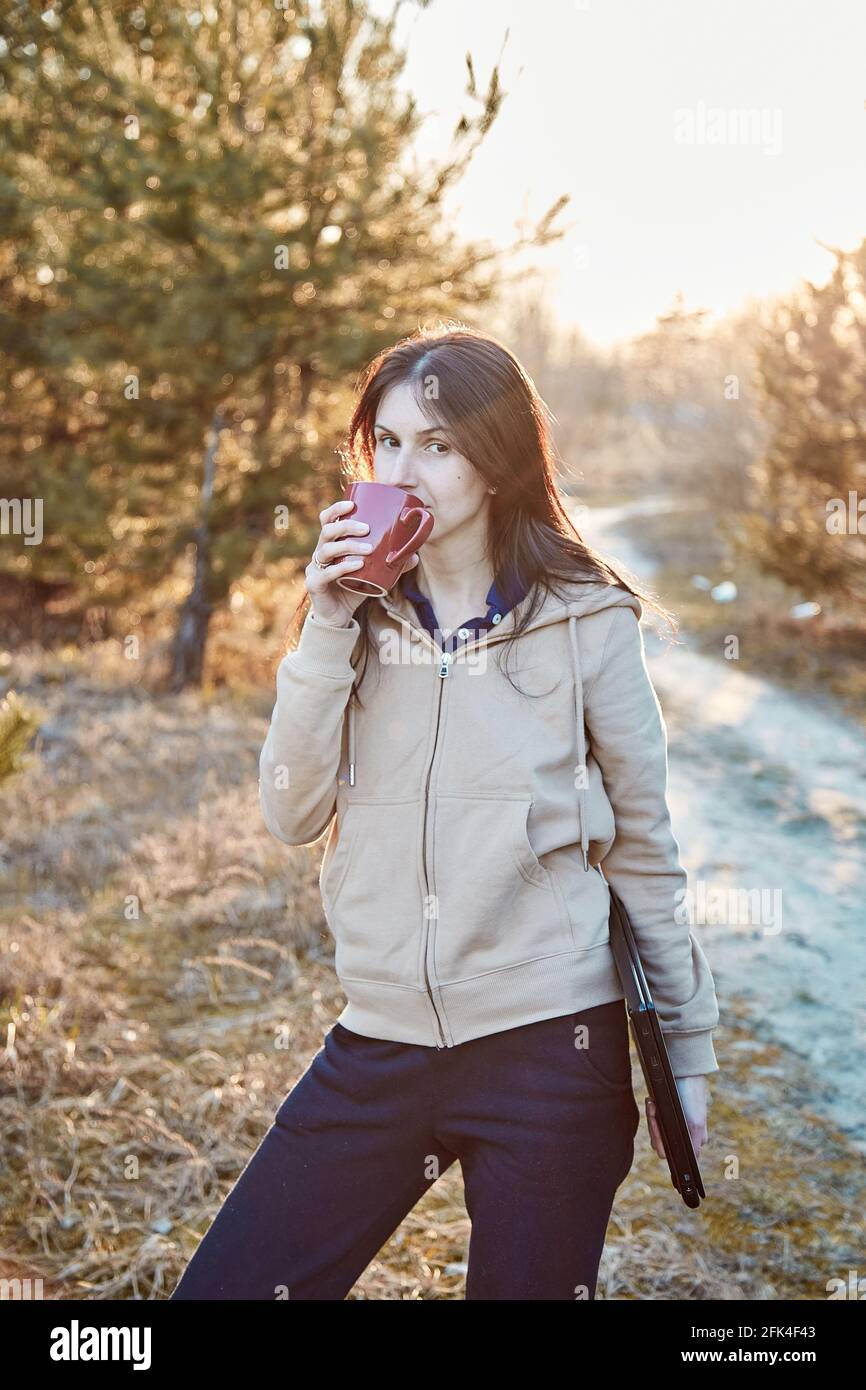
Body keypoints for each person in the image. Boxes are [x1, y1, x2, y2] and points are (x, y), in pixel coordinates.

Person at [170, 325, 720, 1301]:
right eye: (384, 441)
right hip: (377, 1046)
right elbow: (289, 810)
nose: (401, 468)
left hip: (551, 1052)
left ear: (497, 460)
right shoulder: (355, 612)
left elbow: (642, 846)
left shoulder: (583, 620)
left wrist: (687, 1053)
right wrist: (328, 618)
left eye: (437, 443)